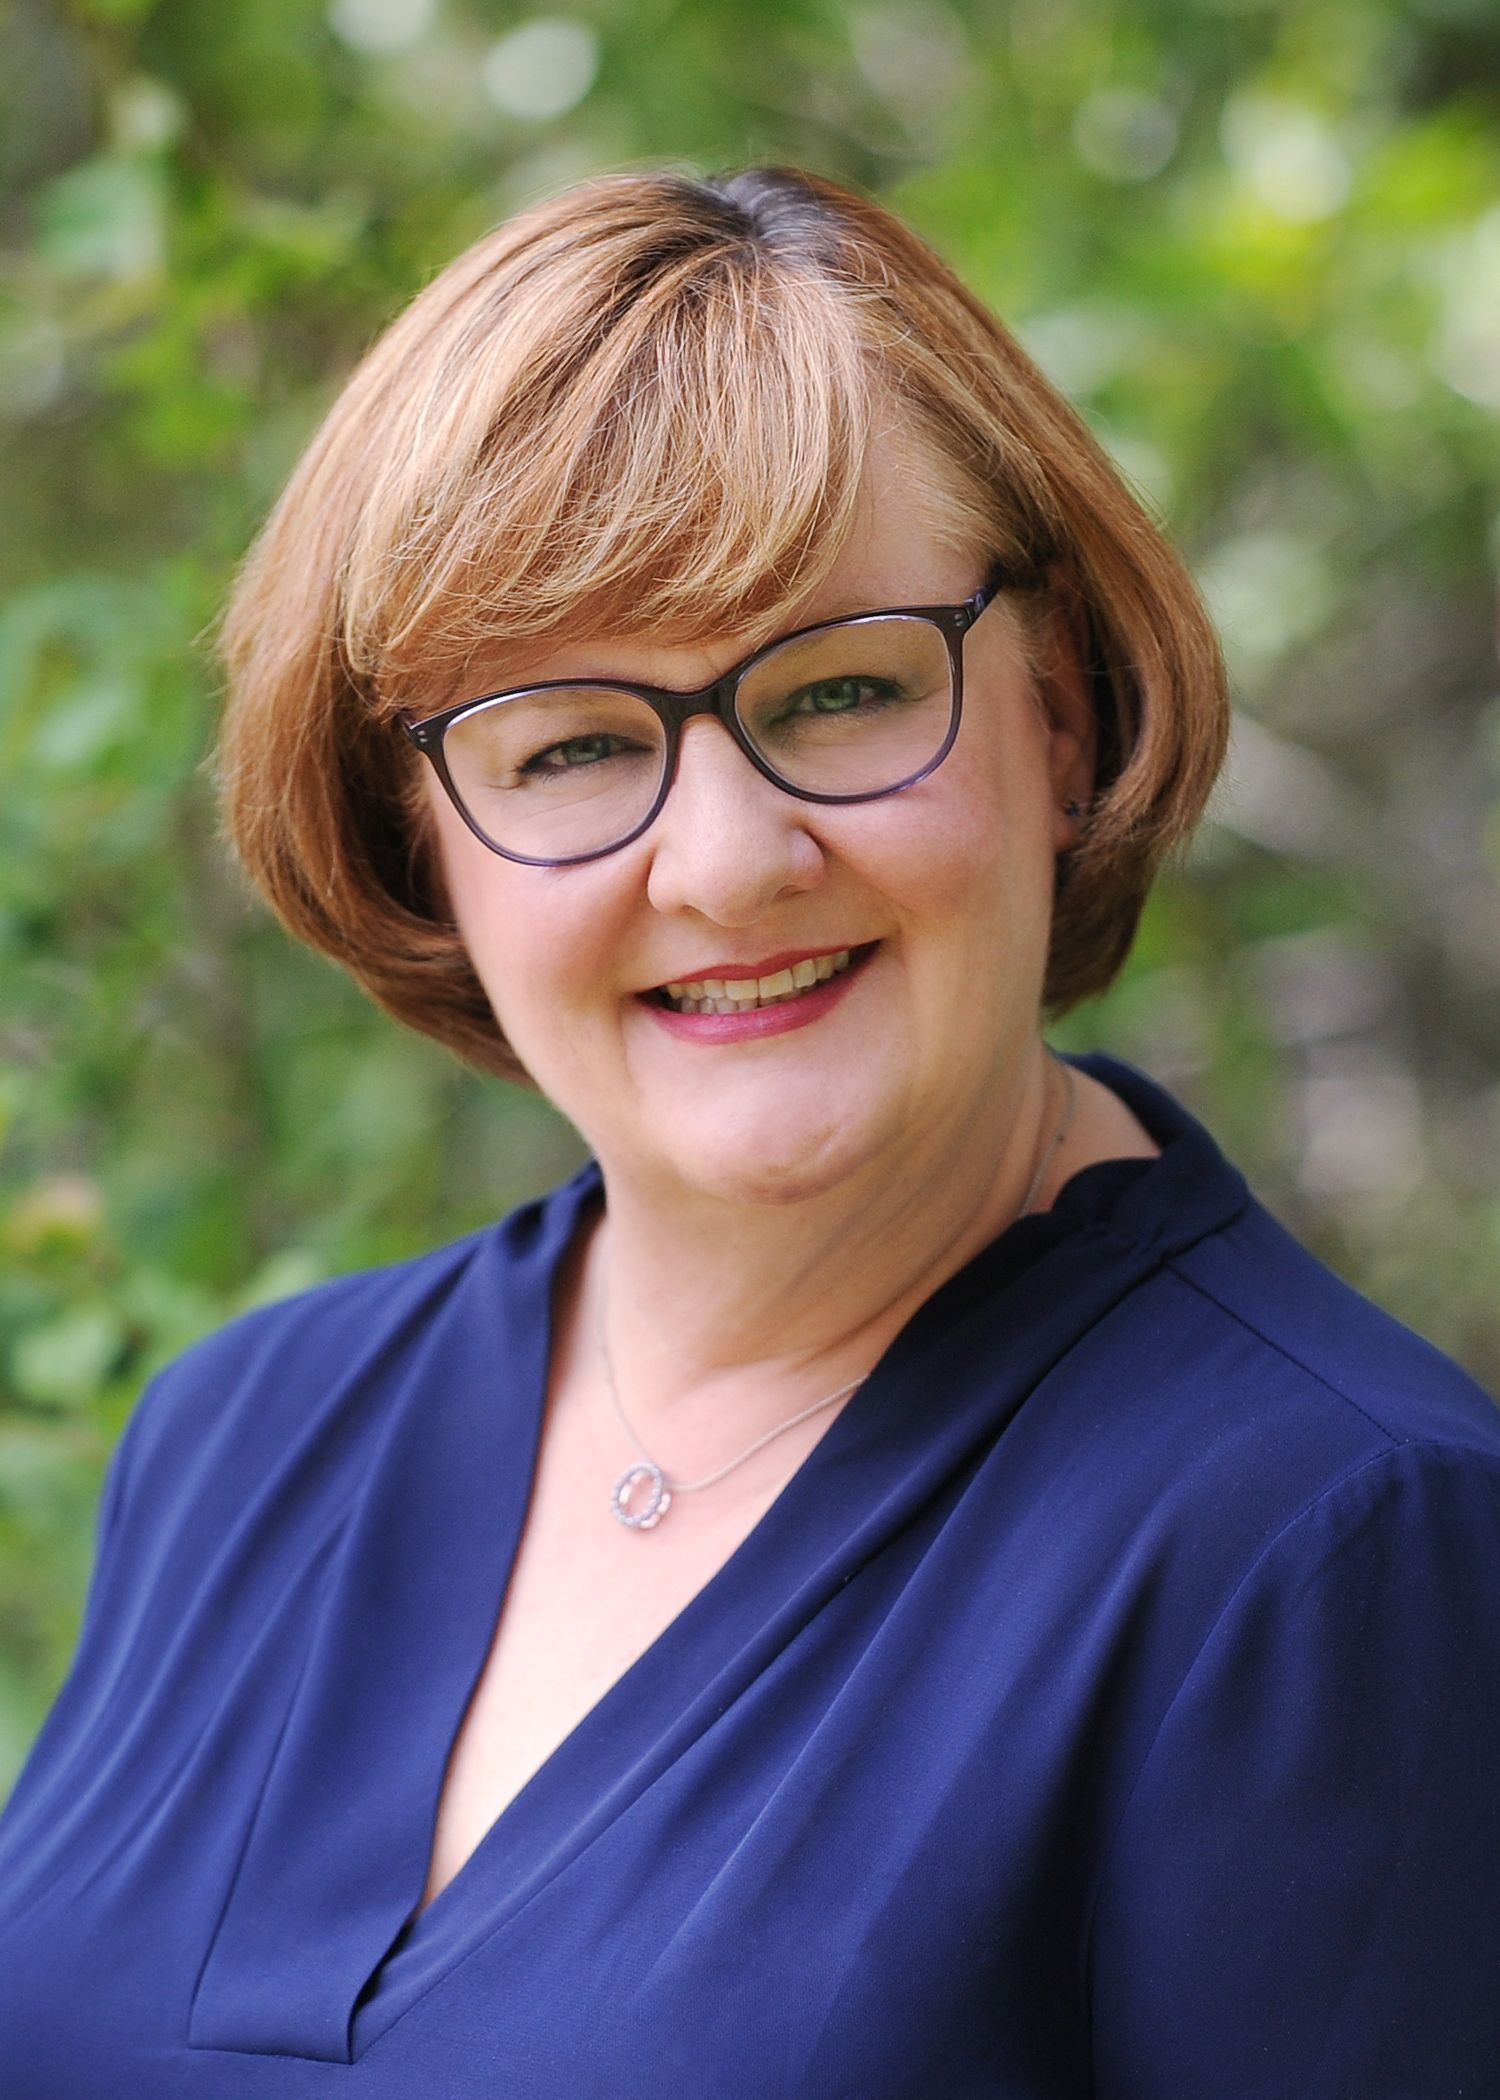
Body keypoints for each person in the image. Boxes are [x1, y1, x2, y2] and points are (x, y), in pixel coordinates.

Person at [1, 164, 1497, 2099]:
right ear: (418, 842)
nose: (722, 863)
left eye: (849, 688)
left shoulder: (1332, 1553)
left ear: (1059, 714)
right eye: (571, 743)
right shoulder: (238, 1436)